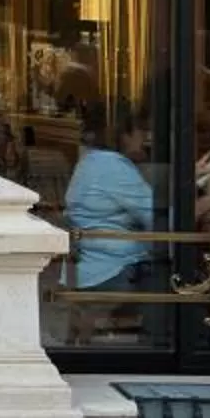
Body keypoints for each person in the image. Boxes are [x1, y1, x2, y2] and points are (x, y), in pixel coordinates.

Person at [64, 103, 157, 291]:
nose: (146, 138)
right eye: (141, 131)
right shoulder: (113, 168)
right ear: (125, 135)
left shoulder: (91, 161)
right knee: (186, 295)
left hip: (88, 269)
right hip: (111, 272)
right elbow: (161, 219)